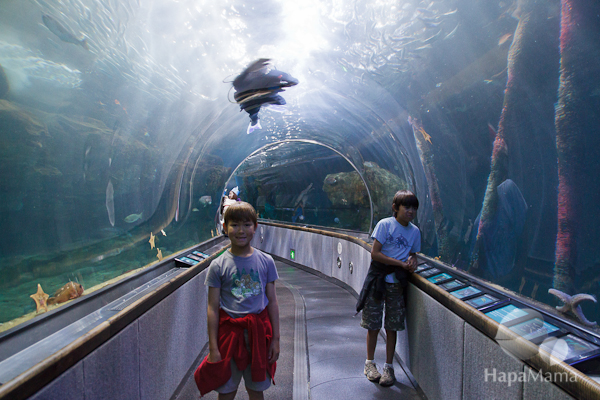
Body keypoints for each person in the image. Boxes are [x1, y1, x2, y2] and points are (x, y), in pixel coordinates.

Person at [195, 201, 280, 400]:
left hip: (258, 333)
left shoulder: (266, 262)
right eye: (234, 224)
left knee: (256, 389)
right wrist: (213, 348)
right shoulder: (218, 266)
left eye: (246, 224)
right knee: (226, 390)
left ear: (255, 227)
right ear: (224, 227)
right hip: (229, 335)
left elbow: (273, 302)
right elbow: (213, 308)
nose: (240, 230)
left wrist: (276, 339)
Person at [356, 190, 421, 387]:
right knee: (373, 324)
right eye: (406, 207)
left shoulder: (415, 231)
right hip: (379, 279)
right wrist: (400, 264)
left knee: (392, 326)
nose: (411, 211)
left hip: (396, 284)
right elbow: (375, 254)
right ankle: (369, 364)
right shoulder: (385, 224)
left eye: (414, 208)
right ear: (395, 208)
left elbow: (413, 254)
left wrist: (412, 260)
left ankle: (389, 367)